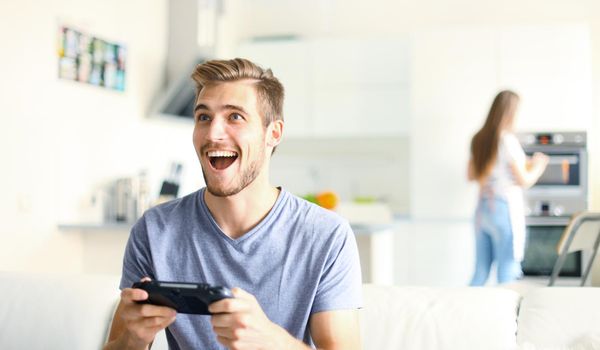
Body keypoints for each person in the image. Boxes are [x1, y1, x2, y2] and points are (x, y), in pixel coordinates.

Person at [102, 58, 362, 350]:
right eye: (204, 117)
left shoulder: (326, 235)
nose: (213, 133)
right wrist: (133, 338)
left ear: (273, 133)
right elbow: (116, 345)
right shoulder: (154, 230)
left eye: (235, 117)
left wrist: (271, 341)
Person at [467, 90, 549, 286]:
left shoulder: (478, 139)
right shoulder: (507, 140)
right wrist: (538, 165)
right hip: (503, 209)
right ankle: (508, 317)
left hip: (482, 209)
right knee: (508, 270)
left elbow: (471, 175)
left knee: (480, 271)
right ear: (511, 112)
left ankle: (460, 313)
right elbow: (524, 180)